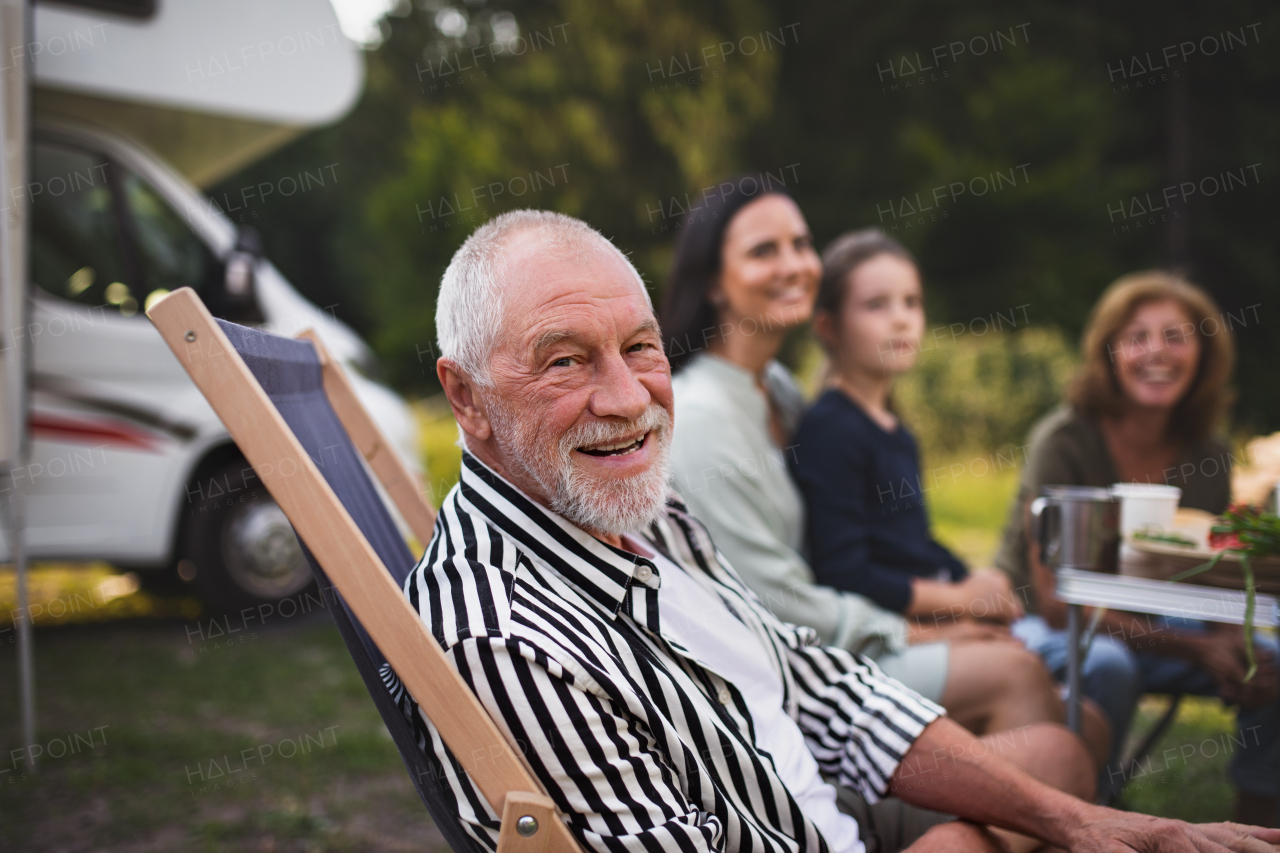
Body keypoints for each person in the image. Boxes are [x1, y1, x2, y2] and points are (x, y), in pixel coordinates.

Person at [390, 208, 1280, 853]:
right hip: (803, 828)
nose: (627, 398)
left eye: (640, 346)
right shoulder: (510, 639)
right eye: (564, 359)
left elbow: (823, 689)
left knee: (1056, 756)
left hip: (815, 788)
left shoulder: (641, 511)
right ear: (464, 396)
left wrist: (1079, 822)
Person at [659, 182, 1107, 767]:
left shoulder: (779, 391)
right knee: (1015, 675)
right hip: (790, 672)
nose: (793, 264)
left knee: (1087, 725)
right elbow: (775, 606)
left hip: (840, 636)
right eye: (763, 251)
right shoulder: (702, 418)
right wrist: (924, 631)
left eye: (801, 243)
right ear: (714, 281)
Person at [993, 270, 1280, 823]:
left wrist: (1230, 640)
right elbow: (1055, 601)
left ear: (1203, 352)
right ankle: (1088, 814)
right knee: (1109, 664)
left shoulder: (1208, 449)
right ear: (1109, 352)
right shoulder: (1065, 440)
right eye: (1137, 337)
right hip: (1040, 621)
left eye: (1176, 336)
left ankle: (1259, 813)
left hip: (1159, 622)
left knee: (1269, 657)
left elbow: (1215, 574)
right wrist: (1198, 649)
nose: (1157, 352)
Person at [791, 229, 1023, 630]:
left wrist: (975, 579)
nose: (901, 319)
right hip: (898, 631)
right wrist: (963, 599)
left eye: (911, 302)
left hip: (938, 610)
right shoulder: (831, 430)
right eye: (876, 305)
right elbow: (845, 574)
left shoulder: (896, 430)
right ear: (829, 327)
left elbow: (912, 543)